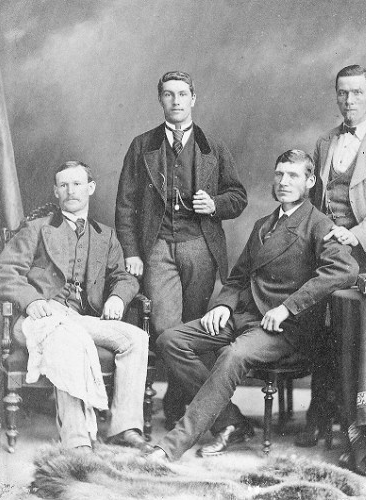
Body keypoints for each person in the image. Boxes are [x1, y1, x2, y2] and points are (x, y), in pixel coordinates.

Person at [146, 149, 358, 462]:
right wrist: (223, 306)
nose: (284, 182)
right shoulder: (264, 224)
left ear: (310, 181)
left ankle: (172, 446)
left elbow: (346, 270)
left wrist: (287, 308)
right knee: (170, 341)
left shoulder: (319, 225)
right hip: (246, 316)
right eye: (280, 174)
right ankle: (230, 421)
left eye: (293, 176)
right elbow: (238, 278)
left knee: (233, 355)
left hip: (285, 328)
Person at [115, 71, 247, 429]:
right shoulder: (142, 145)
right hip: (157, 247)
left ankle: (180, 400)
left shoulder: (213, 147)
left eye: (182, 94)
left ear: (193, 99)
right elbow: (125, 205)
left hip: (200, 247)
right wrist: (132, 251)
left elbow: (238, 198)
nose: (176, 100)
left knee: (193, 331)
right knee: (165, 329)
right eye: (168, 94)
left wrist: (215, 205)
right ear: (160, 100)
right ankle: (220, 413)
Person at [0, 161, 152, 453]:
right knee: (67, 342)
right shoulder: (36, 229)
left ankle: (125, 427)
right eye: (64, 185)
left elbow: (124, 276)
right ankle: (77, 438)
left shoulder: (106, 236)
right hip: (40, 318)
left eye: (78, 184)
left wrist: (117, 297)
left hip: (79, 319)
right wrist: (32, 301)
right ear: (56, 191)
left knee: (136, 339)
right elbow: (4, 271)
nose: (71, 191)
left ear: (90, 188)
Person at [294, 65, 366, 448]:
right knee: (322, 331)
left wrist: (355, 234)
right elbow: (313, 202)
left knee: (365, 336)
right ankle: (320, 414)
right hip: (330, 253)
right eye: (343, 93)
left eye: (357, 93)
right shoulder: (325, 142)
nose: (349, 101)